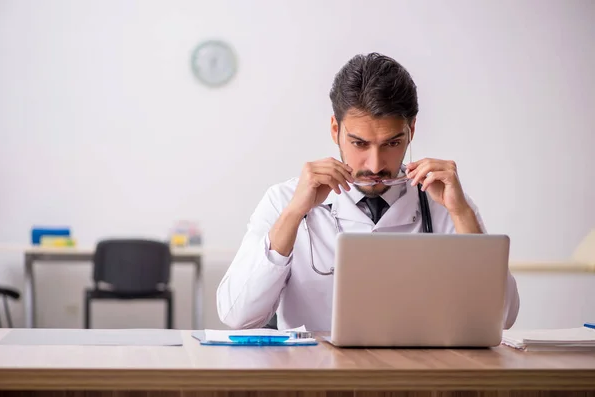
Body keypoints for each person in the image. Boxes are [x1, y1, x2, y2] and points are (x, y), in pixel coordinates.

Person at [216, 53, 520, 331]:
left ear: (411, 131)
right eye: (360, 143)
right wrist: (295, 213)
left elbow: (502, 317)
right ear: (336, 130)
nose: (375, 164)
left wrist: (462, 214)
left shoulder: (446, 202)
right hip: (315, 380)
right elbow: (237, 315)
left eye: (391, 143)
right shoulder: (285, 200)